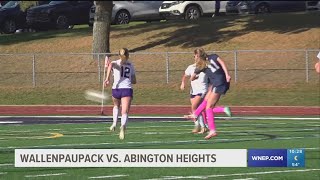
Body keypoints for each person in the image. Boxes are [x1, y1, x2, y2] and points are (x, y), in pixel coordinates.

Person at [184, 48, 232, 140]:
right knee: (206, 99)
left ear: (197, 56)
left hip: (218, 84)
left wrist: (195, 77)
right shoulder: (213, 56)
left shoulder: (200, 66)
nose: (194, 58)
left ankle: (212, 130)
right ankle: (196, 114)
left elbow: (192, 78)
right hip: (220, 82)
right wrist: (227, 74)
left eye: (194, 56)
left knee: (209, 107)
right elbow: (222, 63)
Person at [104, 48, 137, 140]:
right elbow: (134, 80)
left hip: (116, 89)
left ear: (119, 55)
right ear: (128, 55)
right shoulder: (131, 65)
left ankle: (114, 123)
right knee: (124, 111)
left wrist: (107, 78)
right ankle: (122, 126)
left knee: (116, 106)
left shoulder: (115, 63)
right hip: (126, 89)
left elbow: (110, 65)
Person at [180, 54, 209, 134]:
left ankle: (201, 126)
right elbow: (185, 75)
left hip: (203, 90)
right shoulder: (191, 67)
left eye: (197, 56)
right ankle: (199, 126)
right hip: (193, 91)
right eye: (194, 56)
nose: (195, 58)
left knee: (194, 107)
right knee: (196, 109)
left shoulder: (206, 67)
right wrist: (183, 83)